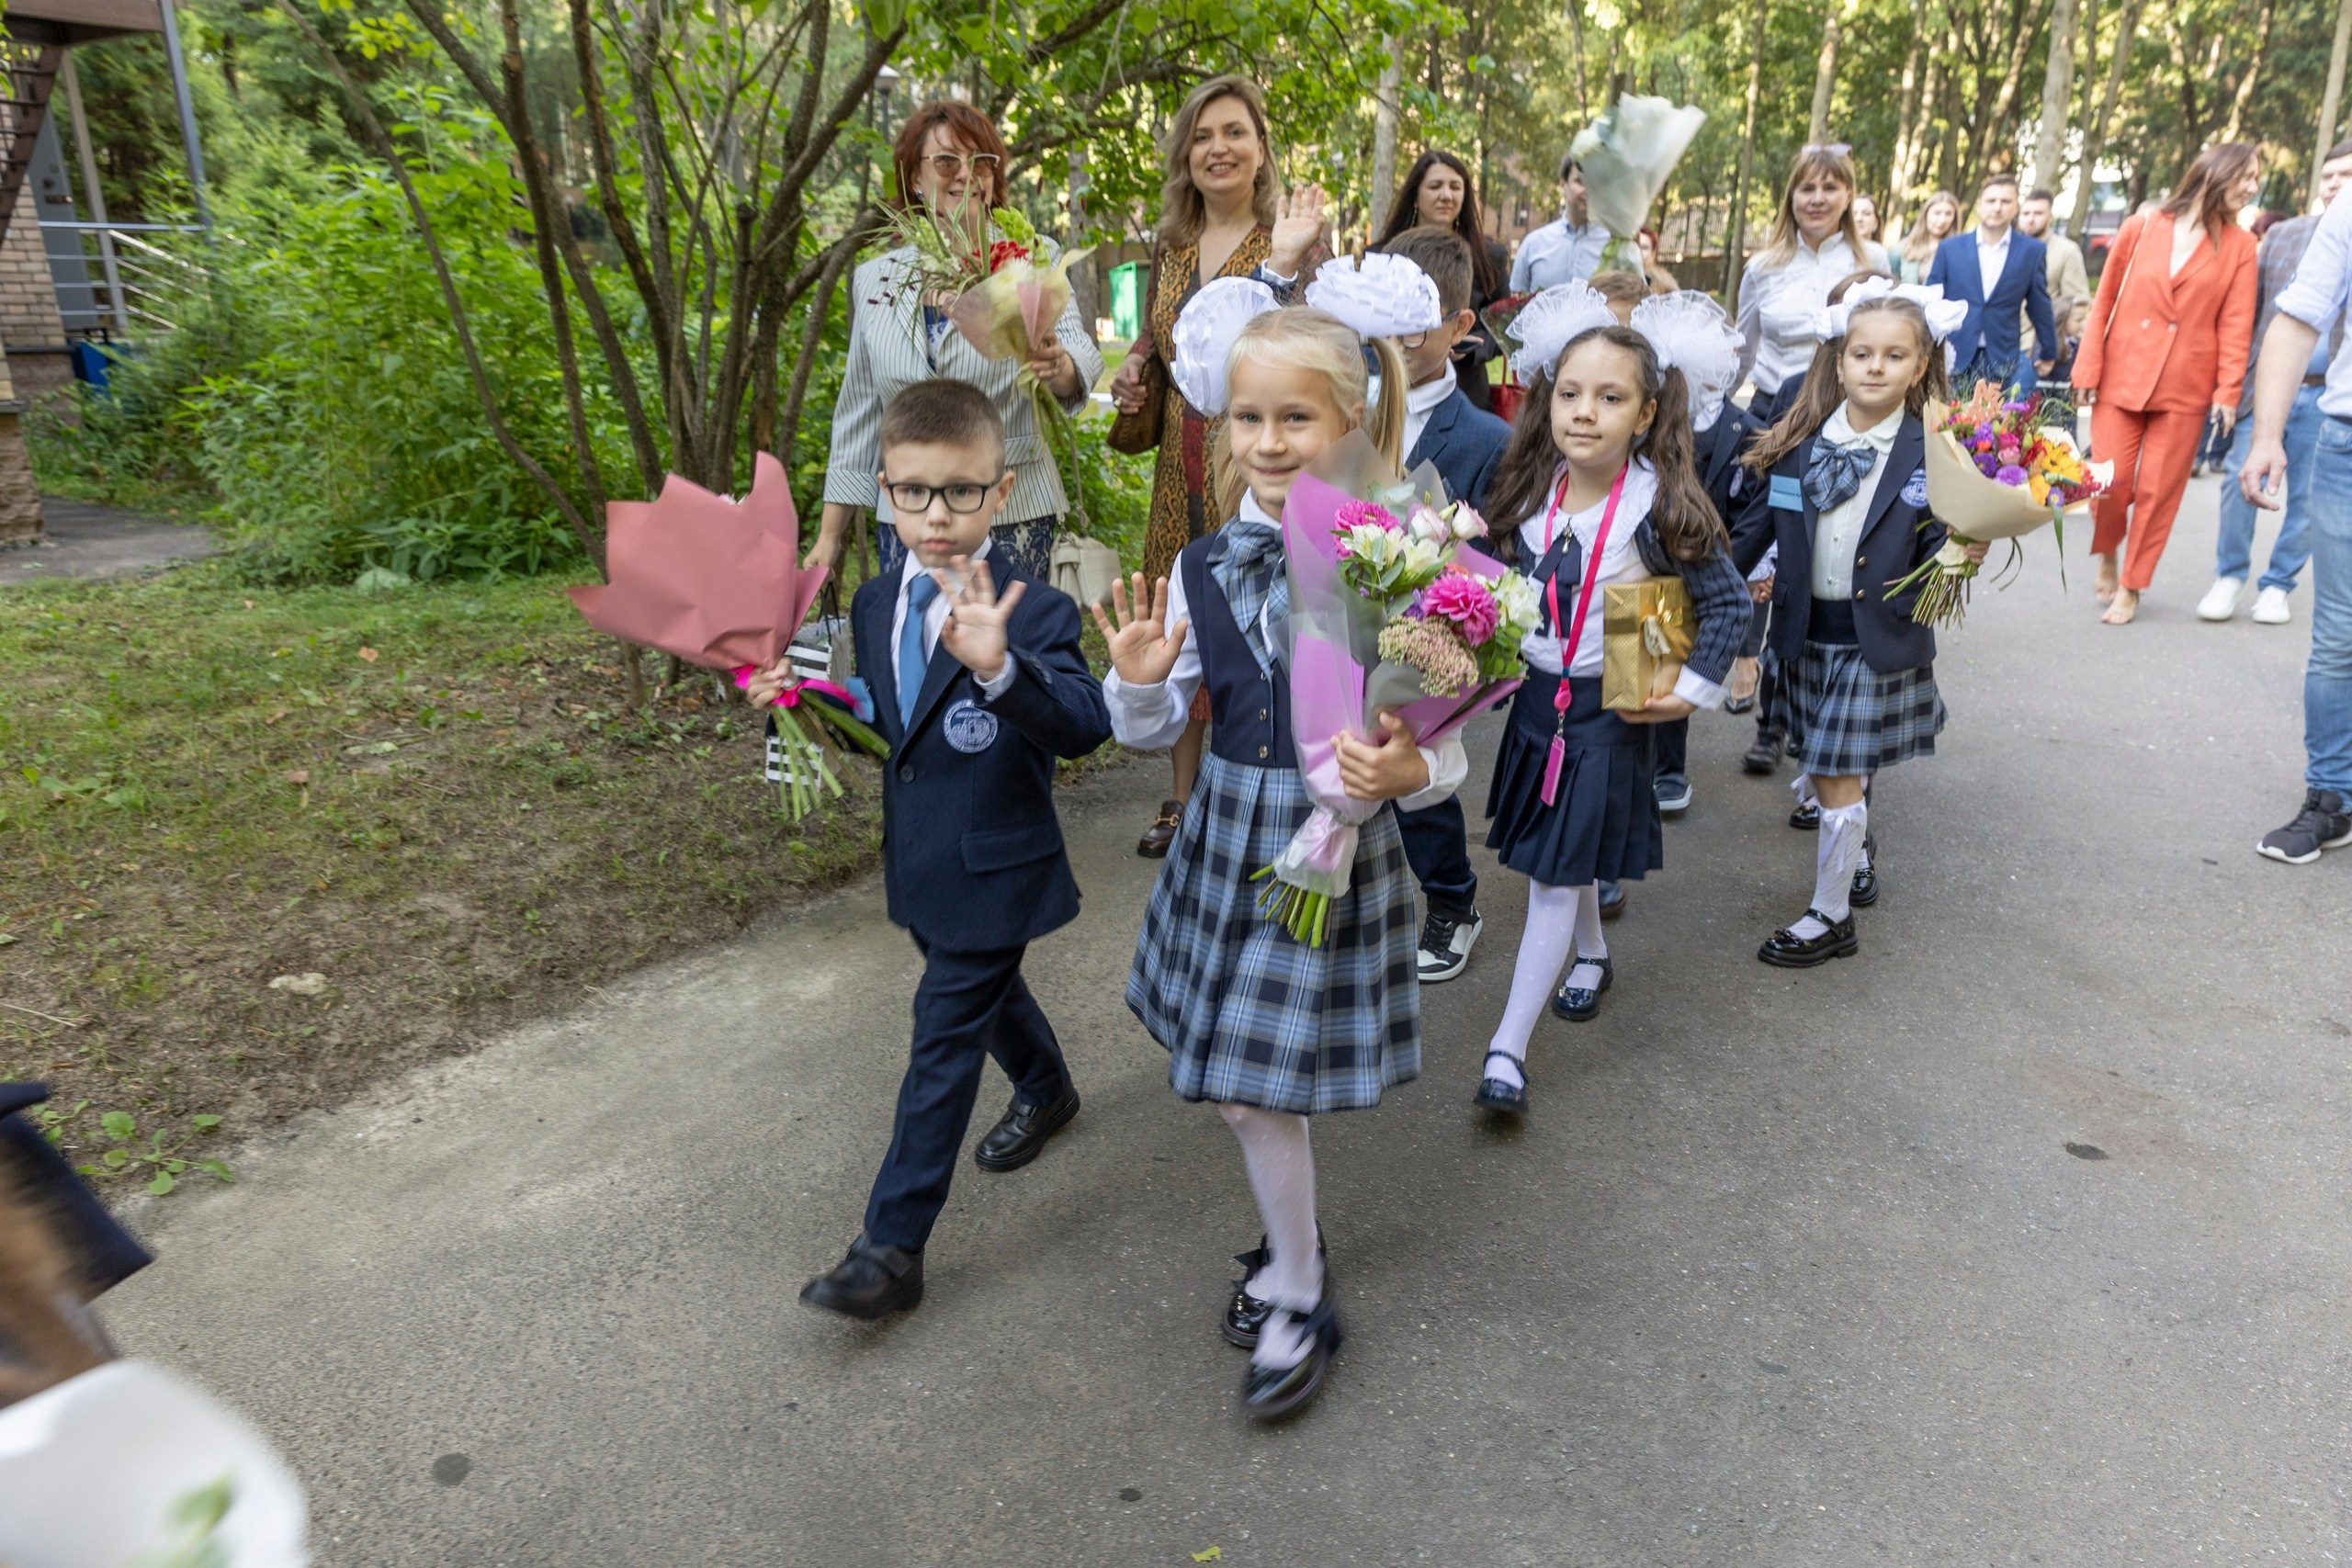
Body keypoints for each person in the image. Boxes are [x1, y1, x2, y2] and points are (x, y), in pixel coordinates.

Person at [1096, 305, 1463, 1419]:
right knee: (1246, 1090)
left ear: (1350, 420)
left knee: (1252, 1098)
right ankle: (1293, 1246)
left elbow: (1440, 740)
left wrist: (1411, 778)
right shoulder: (1204, 563)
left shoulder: (1402, 556)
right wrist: (1141, 680)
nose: (1264, 440)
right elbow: (1153, 732)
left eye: (1294, 416)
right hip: (1230, 838)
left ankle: (1299, 1286)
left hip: (1331, 847)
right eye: (1243, 417)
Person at [768, 379, 1113, 1320]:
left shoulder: (1033, 612)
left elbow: (1085, 724)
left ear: (1001, 493)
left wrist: (1000, 669)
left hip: (997, 867)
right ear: (882, 490)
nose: (936, 514)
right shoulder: (878, 602)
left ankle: (890, 1249)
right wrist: (810, 706)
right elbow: (889, 726)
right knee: (984, 995)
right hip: (920, 861)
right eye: (914, 491)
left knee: (942, 1042)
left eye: (960, 491)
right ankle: (1046, 1088)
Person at [1469, 288, 1747, 1115]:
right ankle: (1591, 959)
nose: (1585, 413)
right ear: (1546, 396)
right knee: (1565, 849)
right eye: (1570, 393)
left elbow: (1729, 604)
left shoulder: (1657, 503)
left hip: (1611, 712)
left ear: (1647, 412)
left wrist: (1688, 694)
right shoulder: (1524, 486)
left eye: (1611, 397)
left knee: (1553, 875)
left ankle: (1506, 1049)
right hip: (1535, 709)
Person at [1108, 75, 1330, 860]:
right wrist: (1136, 370)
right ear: (1185, 155)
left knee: (1252, 616)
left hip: (1257, 457)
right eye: (1203, 136)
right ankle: (1181, 798)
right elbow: (1161, 342)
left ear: (1260, 147)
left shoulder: (1296, 241)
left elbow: (1312, 346)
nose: (1218, 149)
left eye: (1234, 132)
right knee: (1182, 608)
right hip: (1180, 460)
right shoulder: (1171, 244)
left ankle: (1276, 783)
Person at [1734, 288, 1983, 964]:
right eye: (1861, 353)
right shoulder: (1797, 443)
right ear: (1839, 363)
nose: (1875, 366)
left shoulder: (1936, 452)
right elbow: (1754, 534)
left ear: (1920, 362)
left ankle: (1829, 915)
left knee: (1836, 771)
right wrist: (1717, 607)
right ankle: (1855, 850)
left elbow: (1935, 570)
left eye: (1893, 354)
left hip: (1876, 643)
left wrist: (1966, 549)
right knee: (1826, 772)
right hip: (1804, 633)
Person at [808, 101, 1101, 582]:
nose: (966, 175)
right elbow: (859, 414)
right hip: (908, 518)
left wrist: (1058, 364)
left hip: (1011, 513)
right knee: (917, 651)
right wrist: (828, 537)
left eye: (981, 163)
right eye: (947, 162)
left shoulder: (1030, 259)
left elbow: (1076, 356)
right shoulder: (875, 280)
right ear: (915, 179)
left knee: (1005, 656)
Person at [1373, 226, 1513, 984]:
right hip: (1346, 619)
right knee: (1350, 768)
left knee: (1420, 776)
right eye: (1381, 314)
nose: (1393, 335)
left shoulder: (1488, 436)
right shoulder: (1344, 403)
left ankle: (1453, 899)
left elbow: (1496, 550)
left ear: (1461, 328)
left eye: (1414, 318)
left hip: (1433, 636)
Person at [2074, 142, 2261, 625]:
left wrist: (2227, 393)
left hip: (2186, 386)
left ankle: (2132, 585)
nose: (2252, 187)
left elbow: (2235, 325)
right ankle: (2109, 550)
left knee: (2159, 491)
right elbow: (2104, 302)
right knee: (2109, 482)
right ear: (2215, 173)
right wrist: (2086, 369)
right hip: (2122, 375)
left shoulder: (2241, 247)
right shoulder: (2140, 228)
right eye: (2246, 177)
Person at [2238, 165, 2352, 865]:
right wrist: (2267, 435)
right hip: (2348, 442)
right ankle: (2332, 796)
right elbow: (2299, 315)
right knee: (2340, 634)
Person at [2202, 140, 2352, 627]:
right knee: (2238, 480)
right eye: (2328, 176)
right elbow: (2251, 309)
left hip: (2328, 393)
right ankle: (2229, 575)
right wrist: (2233, 385)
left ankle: (2278, 585)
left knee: (2310, 498)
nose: (2335, 184)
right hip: (2268, 388)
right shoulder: (2284, 234)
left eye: (2346, 175)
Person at [1637, 289, 1761, 821]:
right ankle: (1640, 768)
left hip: (1712, 557)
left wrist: (1745, 566)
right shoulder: (1646, 429)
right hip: (1653, 564)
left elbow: (1756, 507)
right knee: (1648, 654)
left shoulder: (1740, 429)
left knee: (1675, 667)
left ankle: (1668, 770)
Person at [1736, 147, 1870, 425]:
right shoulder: (1762, 268)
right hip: (1772, 416)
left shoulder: (1872, 262)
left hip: (1849, 417)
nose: (1817, 199)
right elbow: (1742, 350)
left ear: (1848, 196)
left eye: (1830, 187)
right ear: (1792, 198)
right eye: (1807, 188)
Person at [1374, 151, 1510, 410]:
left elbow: (1506, 327)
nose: (1446, 195)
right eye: (1435, 186)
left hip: (1466, 392)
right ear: (1415, 195)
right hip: (1394, 388)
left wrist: (1468, 347)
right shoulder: (1381, 255)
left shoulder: (1489, 257)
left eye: (1455, 187)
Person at [1928, 173, 2058, 397]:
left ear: (2016, 207)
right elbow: (1932, 299)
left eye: (2005, 201)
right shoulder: (1950, 249)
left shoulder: (2031, 251)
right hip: (1956, 352)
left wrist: (2048, 350)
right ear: (1979, 206)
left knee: (1994, 426)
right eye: (1991, 201)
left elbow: (2039, 304)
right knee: (1951, 424)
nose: (1997, 207)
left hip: (2002, 353)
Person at [2017, 187, 2091, 378]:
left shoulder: (2066, 251)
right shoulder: (2007, 248)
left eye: (2038, 213)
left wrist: (2048, 344)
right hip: (2002, 343)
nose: (2031, 219)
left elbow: (2077, 302)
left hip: (2036, 346)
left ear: (2050, 216)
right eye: (2026, 213)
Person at [1511, 152, 1610, 290]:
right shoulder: (1533, 244)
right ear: (1563, 184)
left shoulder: (1613, 248)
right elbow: (1515, 304)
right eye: (1580, 181)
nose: (1588, 189)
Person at [1894, 190, 1960, 286]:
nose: (1942, 220)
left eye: (1948, 214)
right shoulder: (1903, 247)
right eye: (1937, 213)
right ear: (1926, 215)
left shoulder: (1959, 251)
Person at [1852, 195, 1893, 273]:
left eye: (1866, 214)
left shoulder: (1880, 254)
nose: (1859, 218)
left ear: (1876, 223)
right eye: (1853, 214)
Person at [1636, 227, 1680, 292]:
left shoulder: (1664, 280)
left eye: (1644, 248)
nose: (1639, 251)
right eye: (1636, 246)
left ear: (1653, 252)